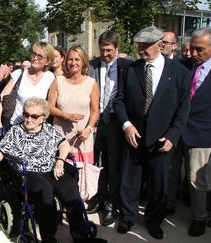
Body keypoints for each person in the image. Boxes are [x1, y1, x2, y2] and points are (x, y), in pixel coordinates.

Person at [0, 97, 106, 243]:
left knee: (70, 188)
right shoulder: (15, 131)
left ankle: (81, 237)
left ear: (44, 118)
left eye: (34, 116)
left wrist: (60, 162)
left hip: (51, 169)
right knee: (44, 190)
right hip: (27, 173)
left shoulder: (48, 129)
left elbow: (64, 145)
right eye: (26, 114)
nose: (29, 119)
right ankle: (49, 239)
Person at [113, 26, 190, 239]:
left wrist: (173, 136)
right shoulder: (130, 69)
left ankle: (154, 220)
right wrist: (126, 124)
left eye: (146, 46)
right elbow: (119, 101)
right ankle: (127, 217)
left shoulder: (180, 72)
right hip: (134, 137)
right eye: (139, 46)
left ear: (161, 45)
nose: (141, 50)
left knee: (159, 184)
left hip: (161, 139)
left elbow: (184, 108)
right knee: (130, 181)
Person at [86, 31, 132, 226]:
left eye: (109, 50)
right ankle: (96, 197)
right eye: (102, 50)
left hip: (115, 121)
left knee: (113, 164)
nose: (105, 54)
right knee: (95, 163)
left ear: (117, 48)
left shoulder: (126, 67)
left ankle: (111, 204)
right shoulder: (92, 66)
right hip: (96, 121)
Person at [181, 27, 211, 237]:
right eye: (192, 48)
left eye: (199, 49)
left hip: (204, 133)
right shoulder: (188, 67)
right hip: (182, 131)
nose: (193, 53)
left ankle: (199, 218)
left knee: (198, 179)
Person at [48, 45, 99, 164]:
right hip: (60, 138)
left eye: (77, 59)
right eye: (70, 59)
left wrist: (89, 129)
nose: (73, 62)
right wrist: (66, 115)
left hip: (82, 139)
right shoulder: (58, 81)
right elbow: (49, 107)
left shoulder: (91, 83)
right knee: (60, 176)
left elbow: (95, 110)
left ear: (83, 62)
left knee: (82, 179)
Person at [0, 42, 55, 132]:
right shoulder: (19, 74)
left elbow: (51, 104)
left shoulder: (50, 77)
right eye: (34, 54)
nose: (35, 58)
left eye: (40, 56)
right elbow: (0, 98)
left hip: (37, 129)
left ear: (48, 61)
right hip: (16, 126)